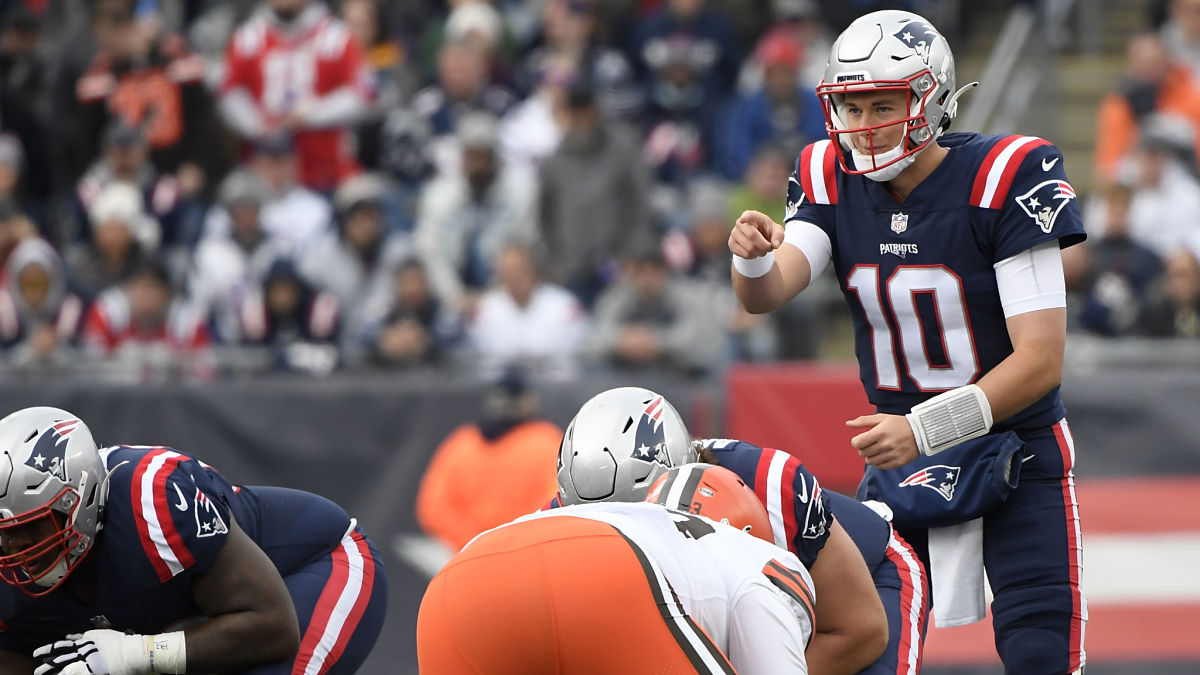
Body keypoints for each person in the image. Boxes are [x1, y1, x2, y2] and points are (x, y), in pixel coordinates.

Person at [727, 10, 1087, 673]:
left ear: (933, 99)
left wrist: (924, 428)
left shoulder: (1007, 175)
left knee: (1041, 650)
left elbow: (1040, 359)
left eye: (884, 104)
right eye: (853, 106)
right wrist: (751, 257)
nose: (865, 125)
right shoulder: (827, 174)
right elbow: (769, 290)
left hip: (1015, 446)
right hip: (903, 460)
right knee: (872, 644)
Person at [555, 386, 916, 675]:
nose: (624, 529)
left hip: (861, 591)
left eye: (635, 515)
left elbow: (860, 632)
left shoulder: (771, 486)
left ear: (686, 474)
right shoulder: (557, 525)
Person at [0, 406, 387, 674]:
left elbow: (273, 627)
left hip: (319, 566)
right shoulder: (9, 579)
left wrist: (138, 653)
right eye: (4, 535)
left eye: (30, 528)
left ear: (80, 500)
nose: (17, 552)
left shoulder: (151, 501)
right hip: (222, 621)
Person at [417, 464, 813, 674]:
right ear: (744, 528)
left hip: (459, 579)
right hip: (600, 570)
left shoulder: (656, 531)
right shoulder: (760, 560)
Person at [416, 369, 563, 552]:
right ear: (527, 402)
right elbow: (556, 500)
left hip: (470, 556)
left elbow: (434, 507)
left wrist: (476, 542)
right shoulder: (546, 441)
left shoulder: (462, 442)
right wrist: (508, 542)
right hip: (525, 554)